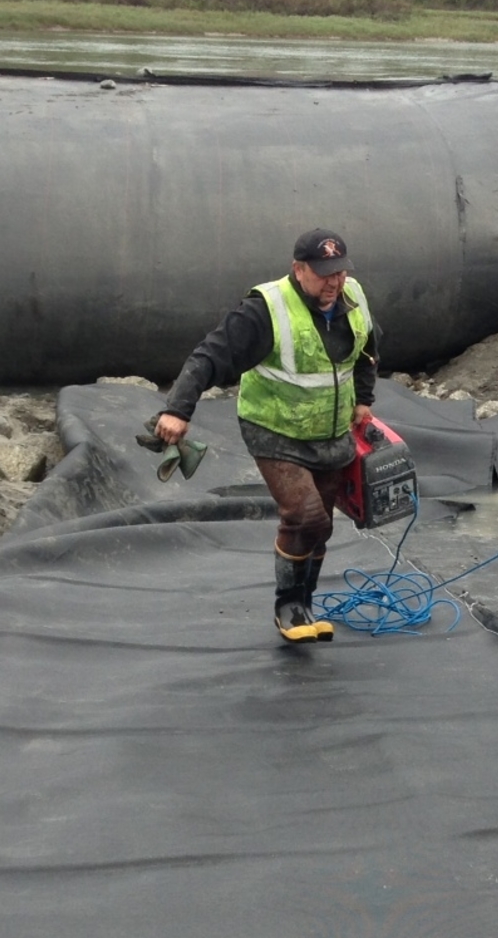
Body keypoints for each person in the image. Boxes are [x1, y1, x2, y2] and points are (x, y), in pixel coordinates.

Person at [155, 229, 379, 643]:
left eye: (340, 273)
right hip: (275, 431)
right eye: (323, 273)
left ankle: (305, 603)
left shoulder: (353, 296)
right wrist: (177, 409)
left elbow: (367, 347)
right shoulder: (266, 309)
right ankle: (288, 607)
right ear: (298, 269)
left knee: (322, 526)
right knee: (304, 515)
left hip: (329, 432)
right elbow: (210, 354)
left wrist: (364, 397)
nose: (333, 283)